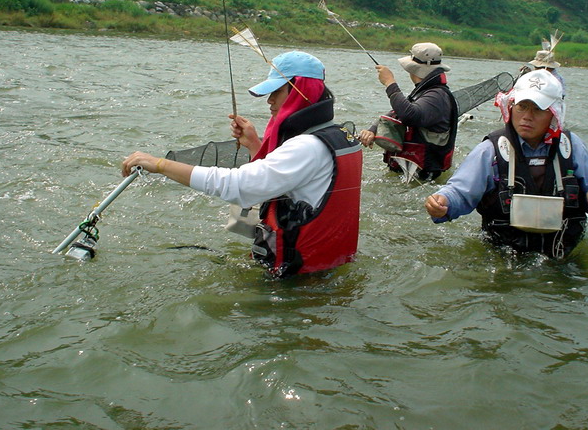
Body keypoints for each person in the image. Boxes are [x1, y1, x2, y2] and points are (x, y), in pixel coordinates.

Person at [122, 51, 363, 278]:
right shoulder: (338, 136)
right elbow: (293, 182)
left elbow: (239, 187)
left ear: (300, 91)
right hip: (325, 267)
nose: (269, 101)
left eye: (275, 93)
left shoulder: (306, 147)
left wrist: (161, 164)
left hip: (298, 277)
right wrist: (254, 146)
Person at [425, 69, 588, 259]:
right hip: (503, 256)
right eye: (522, 106)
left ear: (554, 114)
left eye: (538, 109)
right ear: (511, 107)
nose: (527, 116)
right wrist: (443, 201)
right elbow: (460, 190)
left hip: (564, 255)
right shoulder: (490, 150)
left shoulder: (570, 146)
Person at [358, 42, 458, 181]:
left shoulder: (436, 96)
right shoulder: (426, 91)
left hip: (424, 176)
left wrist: (390, 83)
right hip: (409, 172)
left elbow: (409, 115)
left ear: (413, 70)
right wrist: (373, 129)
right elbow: (397, 112)